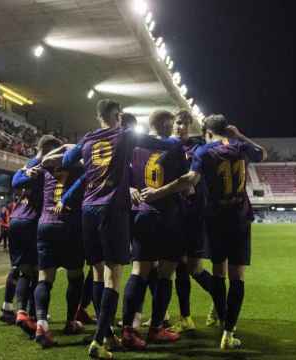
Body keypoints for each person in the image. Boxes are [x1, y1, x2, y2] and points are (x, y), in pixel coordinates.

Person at [54, 99, 174, 359]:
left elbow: (65, 159)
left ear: (98, 116)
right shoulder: (124, 134)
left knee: (97, 273)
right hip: (112, 210)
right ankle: (99, 340)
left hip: (88, 209)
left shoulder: (87, 138)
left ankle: (106, 331)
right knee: (113, 276)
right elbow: (161, 144)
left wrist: (67, 148)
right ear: (117, 115)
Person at [141, 114, 266, 350]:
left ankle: (218, 316)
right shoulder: (239, 147)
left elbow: (190, 179)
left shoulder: (204, 151)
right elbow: (261, 153)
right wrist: (238, 135)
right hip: (240, 217)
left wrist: (158, 192)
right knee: (237, 277)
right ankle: (228, 332)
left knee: (217, 272)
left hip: (215, 218)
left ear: (206, 132)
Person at [120, 110, 186, 350]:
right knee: (166, 273)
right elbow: (185, 184)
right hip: (167, 216)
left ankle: (128, 329)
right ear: (165, 124)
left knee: (138, 272)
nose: (173, 128)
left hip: (140, 215)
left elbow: (122, 176)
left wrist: (129, 189)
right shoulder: (175, 146)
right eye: (171, 124)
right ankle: (156, 328)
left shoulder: (135, 148)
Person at [3, 135, 62, 332]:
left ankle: (19, 311)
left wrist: (26, 173)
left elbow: (15, 181)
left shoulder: (28, 164)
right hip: (32, 222)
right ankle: (36, 313)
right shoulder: (46, 166)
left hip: (16, 220)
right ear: (47, 150)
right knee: (39, 272)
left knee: (22, 270)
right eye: (56, 151)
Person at [28, 151, 86, 348]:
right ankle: (70, 321)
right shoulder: (79, 168)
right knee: (76, 276)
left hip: (45, 224)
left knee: (45, 278)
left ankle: (42, 323)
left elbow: (20, 182)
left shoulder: (45, 169)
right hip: (70, 226)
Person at [169, 110, 217, 332]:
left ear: (191, 126)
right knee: (179, 267)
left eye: (185, 124)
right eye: (178, 123)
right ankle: (185, 317)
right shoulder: (167, 147)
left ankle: (221, 299)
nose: (181, 127)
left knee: (194, 268)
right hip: (175, 215)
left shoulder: (198, 149)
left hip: (195, 214)